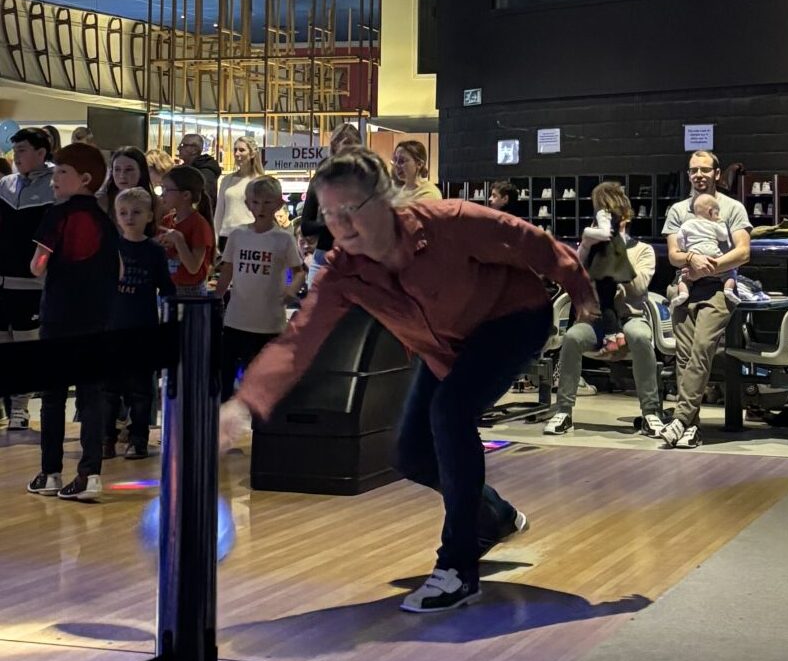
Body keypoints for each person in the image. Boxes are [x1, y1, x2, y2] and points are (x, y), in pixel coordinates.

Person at [220, 146, 597, 613]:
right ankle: (492, 516)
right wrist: (243, 404)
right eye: (330, 213)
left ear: (383, 199)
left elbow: (527, 239)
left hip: (511, 319)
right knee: (410, 453)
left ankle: (457, 568)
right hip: (443, 349)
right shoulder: (343, 270)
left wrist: (579, 287)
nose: (341, 225)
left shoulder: (447, 222)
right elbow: (300, 339)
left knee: (450, 412)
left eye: (351, 209)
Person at [27, 143, 119, 501]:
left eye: (62, 172)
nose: (55, 179)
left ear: (85, 178)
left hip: (58, 316)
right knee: (90, 395)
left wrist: (45, 268)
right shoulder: (105, 220)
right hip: (96, 316)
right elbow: (118, 269)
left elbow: (37, 265)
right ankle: (90, 474)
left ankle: (50, 472)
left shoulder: (57, 215)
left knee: (53, 397)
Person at [543, 215, 666, 436]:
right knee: (572, 337)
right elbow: (572, 276)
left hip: (630, 317)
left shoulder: (643, 250)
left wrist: (616, 261)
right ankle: (563, 411)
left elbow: (639, 287)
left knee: (639, 336)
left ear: (623, 220)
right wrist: (588, 248)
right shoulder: (592, 250)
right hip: (596, 322)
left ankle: (650, 412)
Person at [661, 150, 751, 449]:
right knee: (684, 355)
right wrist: (691, 259)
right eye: (693, 170)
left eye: (704, 169)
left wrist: (709, 267)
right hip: (686, 287)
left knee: (702, 348)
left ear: (716, 173)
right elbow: (674, 255)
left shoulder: (732, 208)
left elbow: (743, 252)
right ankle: (690, 428)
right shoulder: (678, 211)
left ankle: (680, 418)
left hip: (718, 288)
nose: (699, 175)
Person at [215, 176, 305, 401]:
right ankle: (224, 414)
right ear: (247, 204)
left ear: (278, 204)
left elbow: (299, 271)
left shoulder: (283, 239)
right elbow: (227, 270)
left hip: (269, 322)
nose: (260, 208)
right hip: (237, 319)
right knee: (226, 378)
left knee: (265, 382)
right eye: (255, 202)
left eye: (267, 203)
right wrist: (217, 297)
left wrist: (291, 289)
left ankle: (260, 419)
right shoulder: (238, 235)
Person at [103, 187, 175, 460]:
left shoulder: (154, 251)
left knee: (141, 390)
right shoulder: (111, 248)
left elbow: (166, 287)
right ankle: (106, 438)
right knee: (109, 389)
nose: (129, 218)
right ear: (116, 216)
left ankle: (138, 439)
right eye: (123, 213)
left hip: (143, 328)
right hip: (111, 328)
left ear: (149, 216)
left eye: (136, 212)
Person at [0, 128, 55, 431]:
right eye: (15, 150)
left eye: (22, 150)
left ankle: (20, 408)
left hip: (32, 284)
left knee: (26, 348)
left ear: (41, 153)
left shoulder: (54, 186)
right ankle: (8, 407)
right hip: (2, 281)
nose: (16, 156)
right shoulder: (5, 185)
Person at [301, 122, 363, 287]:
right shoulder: (321, 176)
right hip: (323, 256)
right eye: (346, 145)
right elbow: (306, 226)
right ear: (334, 147)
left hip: (355, 259)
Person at [578, 182, 636, 353]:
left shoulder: (602, 212)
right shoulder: (618, 216)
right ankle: (618, 334)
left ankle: (610, 337)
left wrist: (587, 232)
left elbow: (605, 233)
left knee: (605, 303)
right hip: (615, 261)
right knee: (609, 300)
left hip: (604, 263)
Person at [670, 193, 739, 310]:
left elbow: (680, 239)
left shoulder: (687, 224)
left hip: (695, 255)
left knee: (684, 277)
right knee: (730, 272)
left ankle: (683, 293)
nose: (717, 216)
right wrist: (721, 223)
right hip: (713, 256)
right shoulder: (713, 224)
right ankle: (728, 289)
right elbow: (723, 237)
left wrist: (684, 249)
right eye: (717, 213)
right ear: (710, 211)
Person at [158, 165, 215, 297]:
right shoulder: (167, 220)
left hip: (191, 292)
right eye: (162, 188)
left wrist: (179, 240)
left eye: (167, 189)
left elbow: (193, 267)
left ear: (186, 195)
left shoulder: (199, 224)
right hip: (168, 287)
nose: (163, 194)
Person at [214, 136, 265, 253]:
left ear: (252, 154)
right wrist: (215, 239)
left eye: (242, 150)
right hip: (226, 236)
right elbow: (219, 211)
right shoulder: (226, 180)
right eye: (235, 150)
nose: (237, 154)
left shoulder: (260, 181)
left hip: (251, 236)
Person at [99, 146, 160, 232]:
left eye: (129, 169)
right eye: (117, 169)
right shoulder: (102, 200)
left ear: (141, 172)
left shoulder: (155, 202)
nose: (122, 175)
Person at [391, 140, 442, 206]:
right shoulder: (402, 190)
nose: (396, 165)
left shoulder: (429, 193)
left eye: (402, 161)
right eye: (395, 160)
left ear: (419, 164)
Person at [176, 133, 221, 208]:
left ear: (194, 150)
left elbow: (204, 200)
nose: (178, 148)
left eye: (183, 145)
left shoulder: (205, 173)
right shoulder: (182, 170)